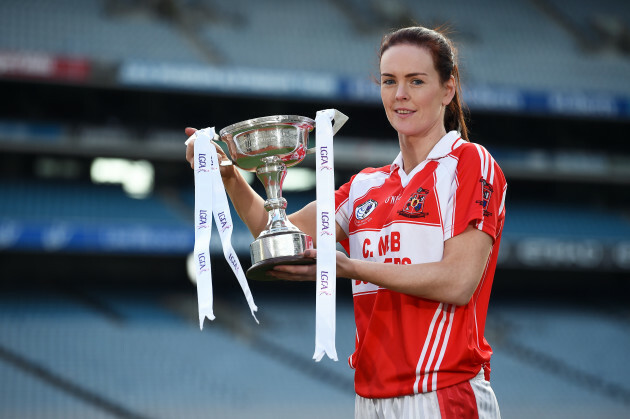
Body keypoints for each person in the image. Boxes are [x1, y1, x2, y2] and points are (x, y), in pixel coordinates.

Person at [186, 26, 506, 419]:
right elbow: (279, 235)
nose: (400, 95)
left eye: (416, 81)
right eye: (389, 81)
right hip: (369, 400)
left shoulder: (470, 163)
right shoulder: (364, 186)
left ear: (448, 90)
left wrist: (349, 267)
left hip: (443, 394)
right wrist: (230, 177)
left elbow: (458, 282)